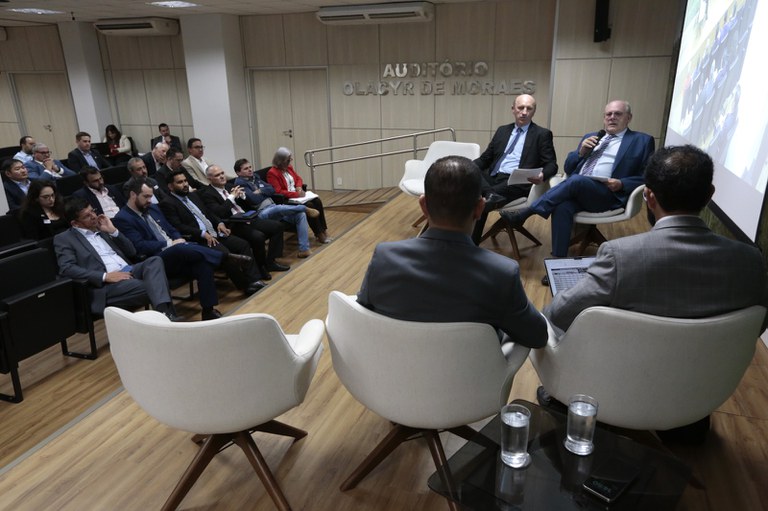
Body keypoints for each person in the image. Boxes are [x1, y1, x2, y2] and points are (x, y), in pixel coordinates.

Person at [543, 145, 768, 442]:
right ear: (709, 194)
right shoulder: (751, 261)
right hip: (698, 394)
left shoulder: (620, 256)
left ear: (648, 196)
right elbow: (755, 327)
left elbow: (558, 314)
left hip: (617, 388)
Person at [357, 155, 548, 349]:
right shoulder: (502, 274)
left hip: (394, 365)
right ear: (480, 208)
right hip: (471, 369)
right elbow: (537, 336)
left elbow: (362, 315)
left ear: (423, 205)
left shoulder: (384, 258)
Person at [502, 100, 655, 281]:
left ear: (628, 118)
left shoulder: (642, 140)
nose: (612, 117)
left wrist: (622, 183)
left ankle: (527, 212)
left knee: (576, 180)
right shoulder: (591, 137)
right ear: (604, 118)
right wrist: (581, 152)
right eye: (608, 114)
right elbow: (568, 167)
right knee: (562, 206)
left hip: (609, 193)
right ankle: (557, 264)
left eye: (618, 114)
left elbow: (648, 176)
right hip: (578, 189)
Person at [114, 177, 225, 321]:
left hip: (176, 254)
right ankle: (224, 257)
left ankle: (208, 311)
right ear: (133, 195)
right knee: (178, 248)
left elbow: (171, 229)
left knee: (202, 264)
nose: (149, 200)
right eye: (146, 196)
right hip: (156, 261)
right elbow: (139, 246)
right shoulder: (122, 218)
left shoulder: (153, 208)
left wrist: (178, 239)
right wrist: (170, 244)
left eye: (151, 196)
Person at [53, 197, 178, 320]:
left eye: (92, 211)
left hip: (129, 270)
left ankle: (165, 318)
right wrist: (105, 276)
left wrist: (113, 231)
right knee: (155, 284)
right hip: (107, 285)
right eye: (87, 216)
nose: (94, 216)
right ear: (75, 223)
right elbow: (67, 268)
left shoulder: (102, 228)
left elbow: (132, 251)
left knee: (155, 261)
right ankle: (168, 318)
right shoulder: (64, 239)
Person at [159, 167, 267, 295]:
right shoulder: (168, 203)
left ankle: (254, 280)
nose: (185, 184)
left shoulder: (193, 195)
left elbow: (209, 212)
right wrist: (202, 233)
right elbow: (178, 226)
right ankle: (245, 286)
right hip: (199, 239)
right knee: (225, 254)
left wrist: (219, 223)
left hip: (215, 232)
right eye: (180, 182)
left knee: (243, 244)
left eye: (185, 181)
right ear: (170, 186)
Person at [472, 94, 558, 244]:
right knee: (468, 170)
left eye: (529, 109)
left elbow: (552, 165)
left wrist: (542, 175)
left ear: (534, 111)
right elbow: (485, 159)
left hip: (516, 182)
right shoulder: (502, 131)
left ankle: (470, 245)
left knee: (477, 199)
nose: (524, 112)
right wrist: (466, 166)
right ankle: (491, 194)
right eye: (520, 108)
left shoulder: (542, 134)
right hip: (492, 178)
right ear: (513, 109)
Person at [200, 164, 290, 276]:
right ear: (209, 178)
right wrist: (231, 197)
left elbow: (249, 202)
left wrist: (243, 196)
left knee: (277, 226)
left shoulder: (230, 186)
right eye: (217, 175)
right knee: (258, 236)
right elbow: (220, 212)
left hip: (247, 217)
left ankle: (271, 261)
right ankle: (261, 267)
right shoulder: (207, 194)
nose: (222, 176)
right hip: (233, 224)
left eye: (222, 173)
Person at [234, 158, 317, 258]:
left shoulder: (255, 177)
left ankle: (304, 249)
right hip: (261, 212)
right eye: (246, 169)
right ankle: (303, 207)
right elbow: (254, 200)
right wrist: (263, 191)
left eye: (250, 167)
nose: (250, 170)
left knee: (300, 215)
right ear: (238, 173)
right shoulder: (240, 184)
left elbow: (272, 189)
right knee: (279, 208)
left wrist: (260, 191)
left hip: (273, 206)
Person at [267, 147, 332, 244]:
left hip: (297, 196)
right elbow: (278, 191)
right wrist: (296, 194)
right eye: (288, 159)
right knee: (309, 205)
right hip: (286, 200)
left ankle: (324, 230)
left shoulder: (289, 167)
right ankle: (319, 234)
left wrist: (298, 187)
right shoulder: (272, 173)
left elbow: (298, 179)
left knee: (317, 201)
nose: (290, 160)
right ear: (281, 161)